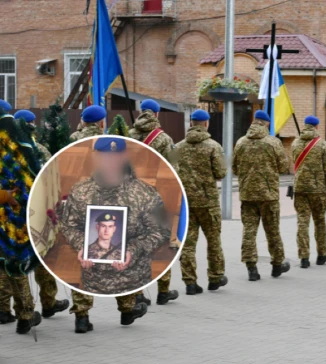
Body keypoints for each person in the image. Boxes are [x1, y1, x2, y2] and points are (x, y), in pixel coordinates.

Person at [61, 137, 170, 332]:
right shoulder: (79, 191)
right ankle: (86, 316)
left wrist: (132, 250)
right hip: (92, 270)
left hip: (129, 268)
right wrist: (83, 246)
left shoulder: (146, 193)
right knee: (86, 271)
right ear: (95, 159)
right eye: (104, 157)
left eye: (114, 157)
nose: (109, 163)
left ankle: (121, 310)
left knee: (127, 271)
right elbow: (69, 226)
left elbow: (160, 231)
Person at [0, 101, 69, 332]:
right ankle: (28, 312)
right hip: (20, 214)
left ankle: (8, 309)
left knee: (6, 265)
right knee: (21, 262)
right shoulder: (29, 148)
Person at [128, 99, 179, 306]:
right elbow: (173, 169)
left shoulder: (129, 136)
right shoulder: (163, 138)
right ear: (156, 115)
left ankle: (138, 293)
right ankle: (163, 291)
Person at [232, 110, 291, 281]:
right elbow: (282, 167)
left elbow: (234, 168)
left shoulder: (241, 142)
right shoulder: (273, 142)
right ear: (266, 124)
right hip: (269, 195)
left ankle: (251, 268)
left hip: (247, 194)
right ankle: (277, 265)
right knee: (272, 230)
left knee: (249, 231)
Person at [176, 109, 228, 295]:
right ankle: (215, 278)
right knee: (213, 240)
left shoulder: (178, 147)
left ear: (191, 123)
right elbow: (221, 173)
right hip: (208, 202)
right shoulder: (213, 146)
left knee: (187, 243)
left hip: (186, 203)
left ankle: (190, 282)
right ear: (206, 124)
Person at [291, 116, 326, 269]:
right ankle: (322, 255)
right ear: (317, 126)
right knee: (320, 221)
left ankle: (304, 257)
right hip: (318, 189)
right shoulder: (323, 145)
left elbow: (294, 162)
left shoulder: (295, 143)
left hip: (300, 188)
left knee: (302, 221)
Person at [129, 99, 176, 165]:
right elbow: (172, 166)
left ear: (140, 113)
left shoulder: (128, 135)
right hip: (153, 175)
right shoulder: (165, 139)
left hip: (131, 175)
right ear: (156, 114)